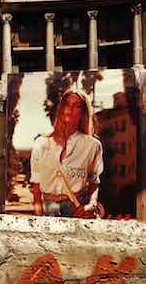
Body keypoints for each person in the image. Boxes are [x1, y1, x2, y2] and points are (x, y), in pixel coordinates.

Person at [30, 87, 103, 218]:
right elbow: (36, 186)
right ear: (61, 108)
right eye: (67, 104)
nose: (70, 108)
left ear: (83, 112)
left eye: (77, 106)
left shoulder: (92, 145)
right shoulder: (41, 143)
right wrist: (38, 215)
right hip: (48, 207)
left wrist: (91, 203)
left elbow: (94, 182)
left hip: (75, 207)